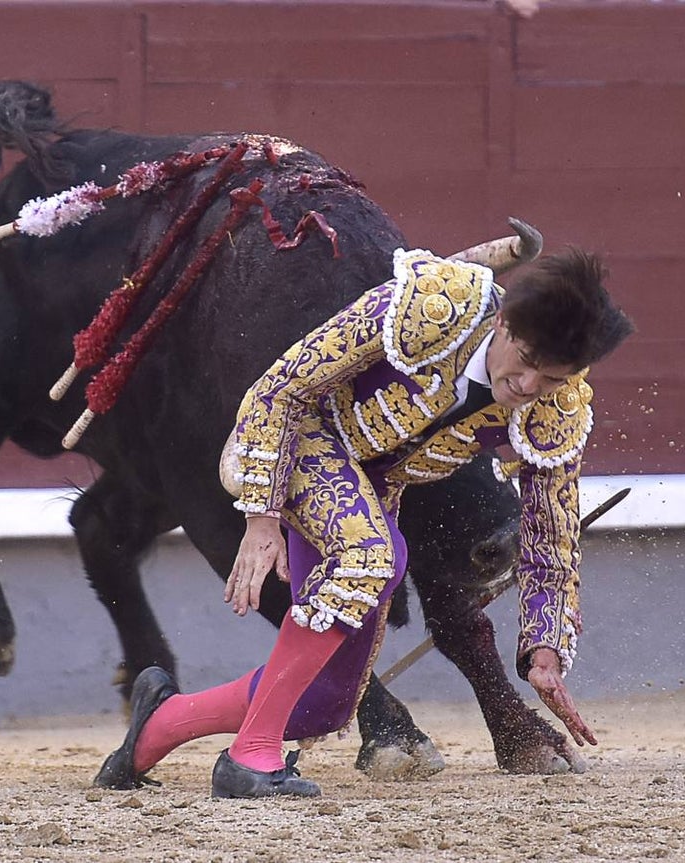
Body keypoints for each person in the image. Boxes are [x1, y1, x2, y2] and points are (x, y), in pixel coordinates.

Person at [95, 242, 634, 798]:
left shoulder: (558, 406)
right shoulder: (434, 307)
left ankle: (159, 724)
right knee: (375, 556)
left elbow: (551, 537)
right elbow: (281, 390)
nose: (527, 387)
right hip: (301, 438)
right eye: (524, 361)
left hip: (373, 487)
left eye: (549, 379)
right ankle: (249, 758)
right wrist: (262, 519)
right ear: (502, 322)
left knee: (325, 702)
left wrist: (544, 651)